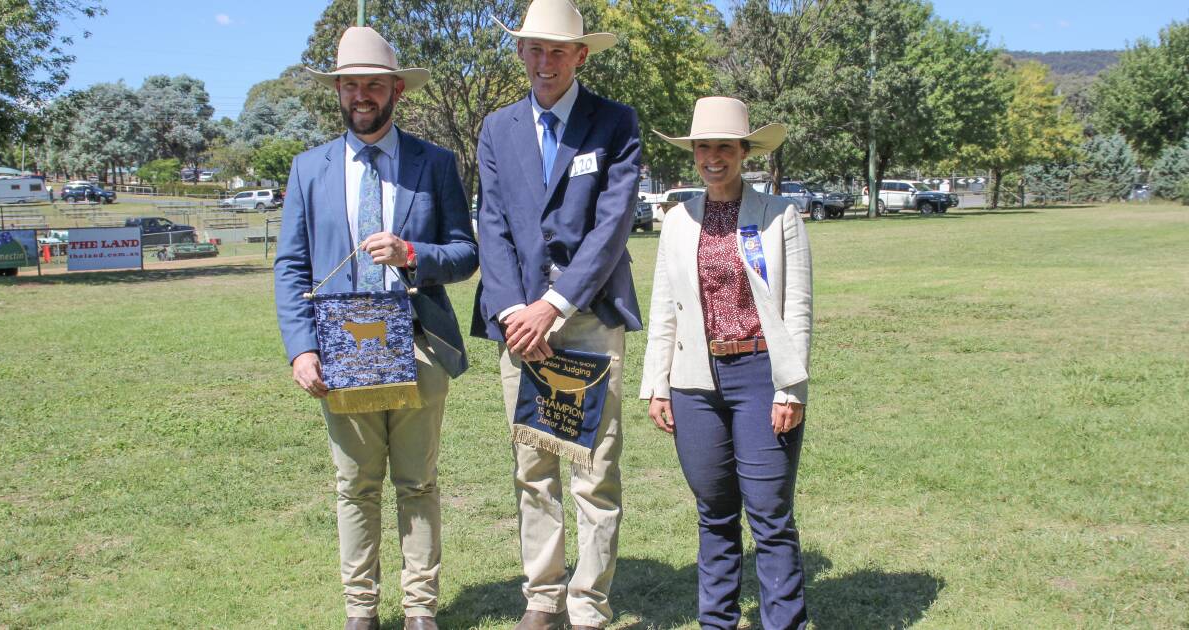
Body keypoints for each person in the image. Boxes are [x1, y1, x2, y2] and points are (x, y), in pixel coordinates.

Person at [274, 26, 477, 630]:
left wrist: (413, 252)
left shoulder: (435, 164)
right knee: (355, 487)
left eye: (373, 84)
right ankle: (360, 612)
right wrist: (301, 348)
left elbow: (465, 254)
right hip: (341, 353)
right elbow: (290, 266)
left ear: (396, 90)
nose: (362, 94)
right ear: (338, 91)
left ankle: (420, 611)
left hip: (417, 346)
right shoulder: (308, 169)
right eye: (350, 84)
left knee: (418, 484)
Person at [470, 1, 642, 628]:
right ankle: (542, 600)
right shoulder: (497, 129)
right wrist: (518, 309)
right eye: (534, 50)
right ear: (520, 54)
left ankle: (589, 603)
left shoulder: (616, 124)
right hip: (519, 322)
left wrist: (554, 304)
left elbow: (611, 227)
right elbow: (493, 224)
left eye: (557, 51)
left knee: (593, 469)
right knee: (533, 466)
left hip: (588, 313)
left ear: (581, 56)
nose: (544, 63)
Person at [639, 96, 813, 629]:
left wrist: (792, 389)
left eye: (725, 147)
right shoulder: (677, 219)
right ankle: (717, 621)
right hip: (694, 382)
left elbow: (798, 306)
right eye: (704, 147)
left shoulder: (779, 215)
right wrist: (658, 385)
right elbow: (667, 307)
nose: (714, 157)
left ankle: (784, 622)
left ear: (743, 152)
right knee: (714, 513)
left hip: (762, 374)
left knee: (768, 513)